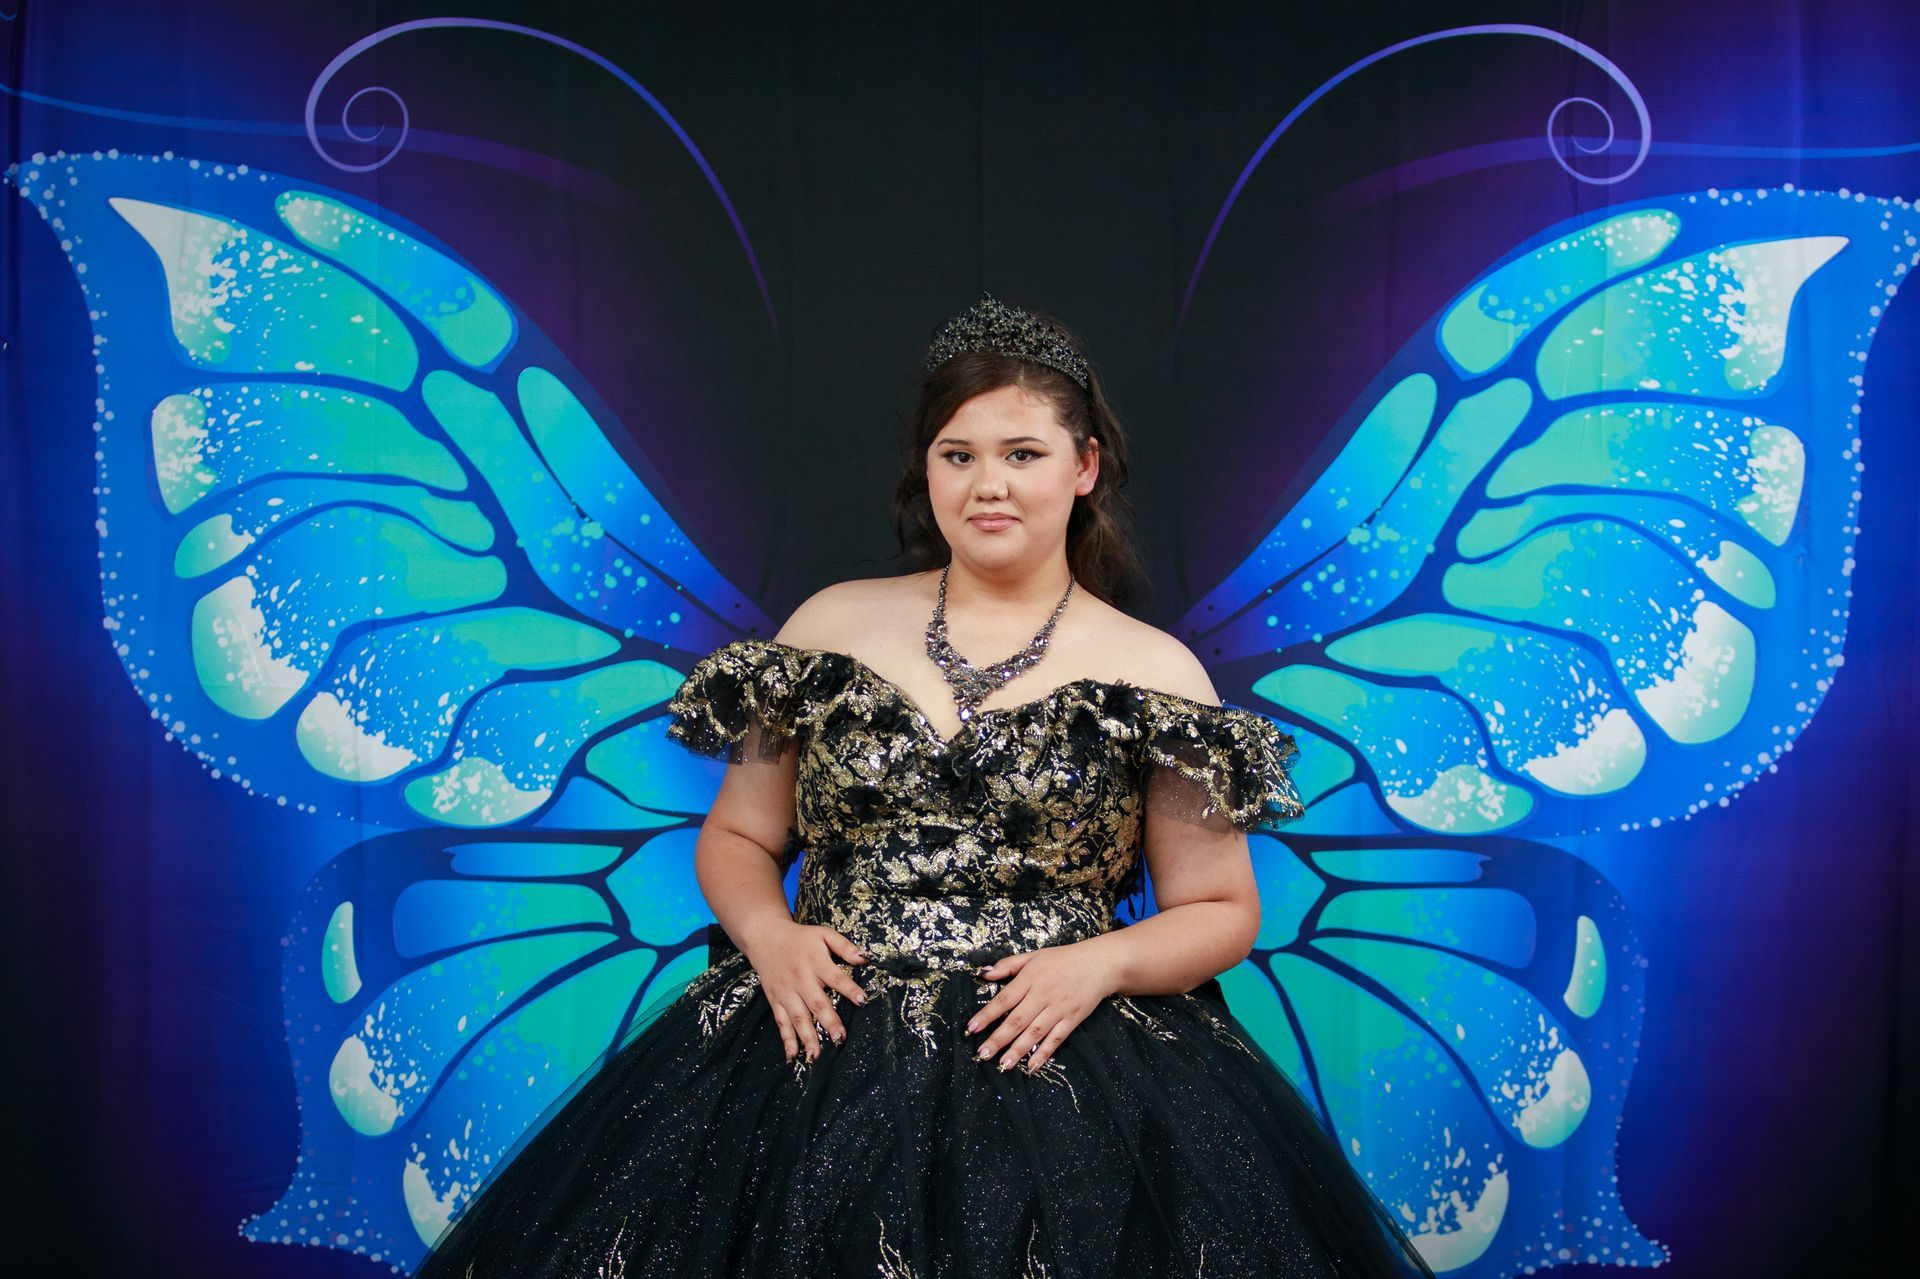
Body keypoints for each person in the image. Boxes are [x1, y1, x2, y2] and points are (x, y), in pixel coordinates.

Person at [414, 293, 1437, 1278]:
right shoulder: (829, 626)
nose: (989, 485)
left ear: (1085, 466)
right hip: (813, 1047)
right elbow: (737, 838)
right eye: (959, 455)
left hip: (1062, 1057)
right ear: (928, 469)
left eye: (1022, 454)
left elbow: (1220, 908)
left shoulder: (1155, 672)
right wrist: (769, 936)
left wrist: (1101, 964)